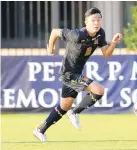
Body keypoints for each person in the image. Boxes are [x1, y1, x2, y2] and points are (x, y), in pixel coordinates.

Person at [33, 7, 123, 142]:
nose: (96, 23)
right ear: (86, 22)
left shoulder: (100, 34)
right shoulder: (77, 35)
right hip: (68, 74)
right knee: (99, 90)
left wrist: (114, 43)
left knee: (64, 106)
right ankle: (74, 112)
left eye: (99, 19)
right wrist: (51, 48)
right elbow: (55, 32)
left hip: (76, 73)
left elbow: (106, 54)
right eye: (93, 20)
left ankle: (40, 130)